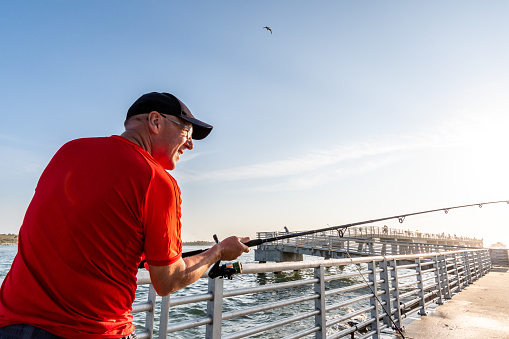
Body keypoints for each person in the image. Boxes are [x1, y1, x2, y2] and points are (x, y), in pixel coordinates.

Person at [0, 92, 250, 338]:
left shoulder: (68, 151)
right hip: (92, 331)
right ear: (155, 121)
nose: (190, 143)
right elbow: (167, 281)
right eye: (186, 130)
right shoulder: (156, 181)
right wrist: (218, 251)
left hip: (11, 325)